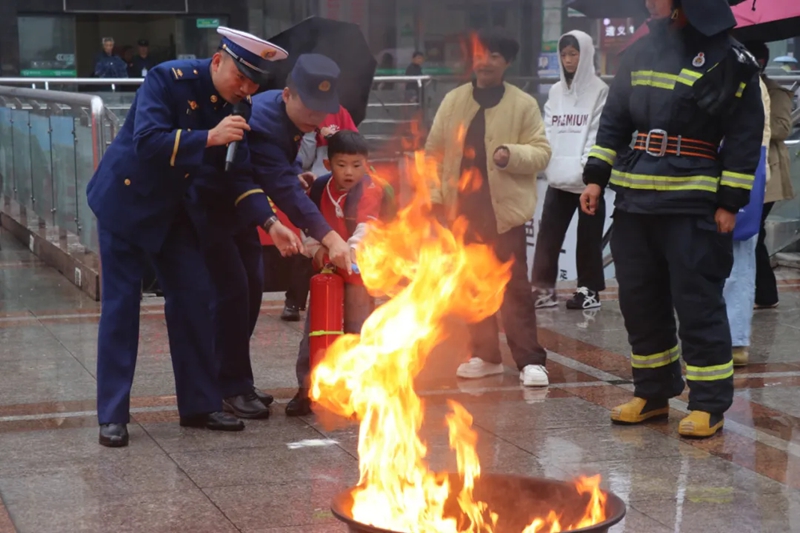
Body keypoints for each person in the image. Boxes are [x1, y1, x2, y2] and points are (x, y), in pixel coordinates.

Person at [86, 27, 287, 447]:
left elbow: (237, 174)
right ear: (218, 61)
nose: (246, 89)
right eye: (241, 77)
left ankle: (199, 405)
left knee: (194, 296)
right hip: (127, 203)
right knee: (122, 307)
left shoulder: (240, 106)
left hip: (176, 212)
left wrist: (270, 222)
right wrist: (208, 137)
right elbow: (147, 142)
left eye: (254, 83)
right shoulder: (167, 79)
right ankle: (113, 414)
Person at [580, 0, 764, 438]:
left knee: (698, 305)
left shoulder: (732, 60)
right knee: (640, 304)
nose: (649, 1)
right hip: (634, 201)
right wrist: (595, 178)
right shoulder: (639, 53)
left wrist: (729, 202)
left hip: (692, 205)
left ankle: (708, 403)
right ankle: (653, 392)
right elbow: (615, 120)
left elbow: (744, 136)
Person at [200, 54, 353, 420]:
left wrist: (287, 172)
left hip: (242, 210)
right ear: (287, 94)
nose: (317, 118)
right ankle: (226, 388)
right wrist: (329, 237)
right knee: (234, 293)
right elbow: (283, 190)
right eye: (310, 107)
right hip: (213, 209)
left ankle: (237, 380)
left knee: (251, 289)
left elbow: (274, 169)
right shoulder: (267, 121)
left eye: (323, 110)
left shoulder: (286, 115)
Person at [425, 29, 552, 387]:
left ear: (507, 63)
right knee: (472, 287)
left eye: (495, 56)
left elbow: (542, 152)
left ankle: (530, 360)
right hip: (462, 213)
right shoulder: (453, 101)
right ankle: (485, 355)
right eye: (482, 54)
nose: (486, 61)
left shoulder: (522, 104)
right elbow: (432, 153)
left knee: (514, 288)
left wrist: (510, 154)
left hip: (504, 215)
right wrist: (435, 198)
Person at [287, 130, 381, 416]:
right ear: (328, 165)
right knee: (315, 329)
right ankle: (307, 389)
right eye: (341, 165)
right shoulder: (318, 188)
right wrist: (315, 250)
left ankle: (357, 393)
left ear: (366, 165)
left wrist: (345, 254)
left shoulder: (371, 190)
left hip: (358, 275)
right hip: (325, 272)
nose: (349, 172)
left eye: (356, 165)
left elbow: (367, 232)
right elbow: (308, 225)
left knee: (356, 332)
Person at [532, 31, 609, 311]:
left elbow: (596, 133)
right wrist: (550, 165)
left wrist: (587, 172)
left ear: (585, 54)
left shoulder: (600, 89)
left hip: (588, 181)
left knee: (589, 239)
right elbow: (548, 129)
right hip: (558, 178)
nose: (568, 60)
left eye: (573, 54)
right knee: (548, 235)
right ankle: (543, 290)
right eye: (563, 54)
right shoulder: (554, 91)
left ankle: (588, 292)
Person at [280, 105, 359, 322]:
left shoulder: (340, 111)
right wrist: (312, 134)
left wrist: (333, 137)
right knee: (309, 245)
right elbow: (299, 159)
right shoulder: (299, 113)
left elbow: (354, 142)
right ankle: (293, 301)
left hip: (340, 182)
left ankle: (351, 306)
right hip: (314, 178)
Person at [747, 42, 796, 310]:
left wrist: (752, 122)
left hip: (769, 171)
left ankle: (765, 293)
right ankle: (762, 293)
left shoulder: (776, 92)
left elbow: (782, 128)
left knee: (754, 233)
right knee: (752, 234)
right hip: (746, 168)